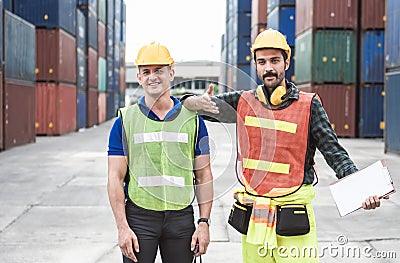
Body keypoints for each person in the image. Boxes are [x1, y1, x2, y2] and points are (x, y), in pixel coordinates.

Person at [182, 28, 387, 262]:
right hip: (255, 221)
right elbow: (192, 106)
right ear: (256, 66)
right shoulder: (242, 101)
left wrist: (362, 189)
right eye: (262, 62)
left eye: (274, 60)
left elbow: (335, 154)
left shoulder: (309, 106)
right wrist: (193, 100)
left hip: (293, 218)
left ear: (286, 62)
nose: (268, 67)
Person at [107, 42, 213, 263]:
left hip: (181, 219)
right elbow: (114, 178)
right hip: (139, 217)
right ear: (138, 77)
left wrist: (204, 223)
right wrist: (122, 227)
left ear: (171, 73)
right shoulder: (125, 121)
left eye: (159, 70)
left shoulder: (193, 121)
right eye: (146, 71)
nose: (152, 77)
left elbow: (204, 176)